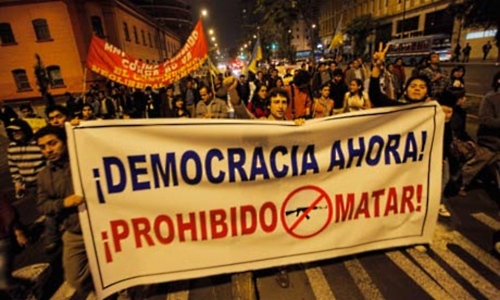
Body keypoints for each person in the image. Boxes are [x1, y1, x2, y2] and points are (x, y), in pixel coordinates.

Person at [369, 42, 451, 217]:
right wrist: (376, 68)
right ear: (405, 91)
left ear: (427, 93)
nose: (417, 89)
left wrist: (441, 156)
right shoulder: (398, 108)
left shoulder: (434, 113)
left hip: (422, 164)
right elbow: (375, 96)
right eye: (413, 86)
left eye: (421, 87)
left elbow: (445, 137)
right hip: (399, 165)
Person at [35, 126, 93, 298]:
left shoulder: (86, 160)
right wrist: (63, 203)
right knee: (75, 277)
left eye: (52, 143)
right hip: (75, 232)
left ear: (65, 141)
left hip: (103, 228)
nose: (48, 150)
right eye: (43, 147)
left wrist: (82, 128)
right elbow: (42, 205)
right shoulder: (44, 176)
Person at [6, 119, 45, 223]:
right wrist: (17, 183)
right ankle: (47, 216)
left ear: (25, 130)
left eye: (17, 131)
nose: (14, 134)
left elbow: (48, 160)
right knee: (38, 201)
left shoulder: (37, 143)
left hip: (43, 180)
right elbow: (13, 167)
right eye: (12, 132)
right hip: (28, 182)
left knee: (48, 200)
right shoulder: (11, 147)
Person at [0, 197, 28, 299]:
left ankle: (23, 293)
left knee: (3, 283)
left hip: (2, 241)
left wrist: (18, 231)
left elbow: (8, 211)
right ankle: (24, 285)